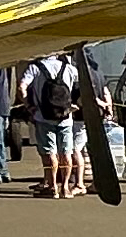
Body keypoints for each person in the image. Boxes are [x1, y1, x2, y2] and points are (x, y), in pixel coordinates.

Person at [19, 53, 82, 199]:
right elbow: (83, 87)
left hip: (43, 117)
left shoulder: (35, 68)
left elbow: (22, 87)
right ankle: (65, 188)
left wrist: (29, 106)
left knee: (50, 153)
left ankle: (53, 187)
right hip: (66, 118)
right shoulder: (69, 68)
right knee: (66, 154)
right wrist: (75, 105)